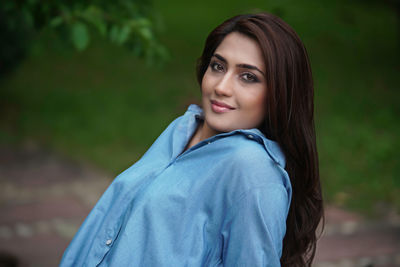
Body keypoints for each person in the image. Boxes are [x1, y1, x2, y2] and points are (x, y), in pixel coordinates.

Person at [60, 12, 323, 267]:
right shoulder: (183, 129)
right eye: (218, 66)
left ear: (279, 94)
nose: (221, 86)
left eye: (248, 77)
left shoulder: (251, 169)